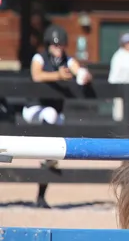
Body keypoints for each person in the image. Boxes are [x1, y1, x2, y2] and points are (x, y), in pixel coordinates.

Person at [23, 24, 92, 208]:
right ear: (48, 45)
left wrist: (84, 75)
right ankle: (46, 154)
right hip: (34, 109)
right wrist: (58, 76)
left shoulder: (67, 60)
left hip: (53, 117)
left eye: (61, 45)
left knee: (55, 147)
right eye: (55, 45)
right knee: (51, 114)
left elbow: (77, 69)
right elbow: (36, 76)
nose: (58, 48)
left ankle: (41, 195)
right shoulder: (39, 57)